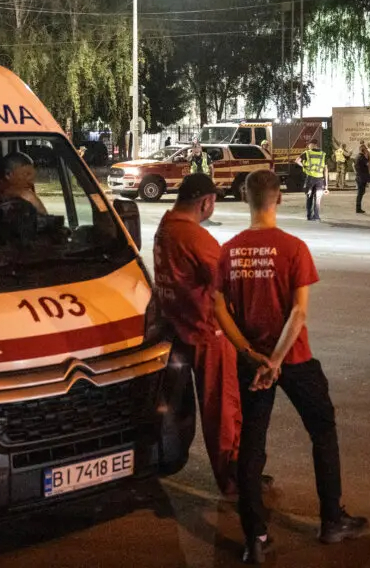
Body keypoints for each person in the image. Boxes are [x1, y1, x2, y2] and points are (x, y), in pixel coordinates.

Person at [214, 170, 367, 563]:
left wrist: (251, 354)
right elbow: (298, 314)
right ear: (278, 199)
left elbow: (217, 306)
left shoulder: (229, 250)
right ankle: (331, 521)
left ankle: (255, 538)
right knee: (322, 432)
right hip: (293, 359)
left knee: (252, 446)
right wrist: (277, 362)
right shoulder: (293, 248)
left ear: (246, 198)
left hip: (253, 364)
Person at [152, 173, 243, 497]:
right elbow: (226, 279)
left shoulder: (166, 227)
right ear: (205, 202)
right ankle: (234, 479)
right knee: (223, 410)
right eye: (213, 201)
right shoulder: (194, 236)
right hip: (208, 332)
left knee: (199, 408)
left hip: (179, 329)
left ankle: (232, 472)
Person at [187, 144, 220, 225]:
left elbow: (211, 167)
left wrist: (212, 178)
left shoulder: (206, 156)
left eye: (198, 147)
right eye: (195, 148)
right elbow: (187, 159)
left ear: (201, 148)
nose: (197, 149)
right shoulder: (191, 156)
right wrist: (192, 152)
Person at [296, 138, 328, 221]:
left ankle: (309, 216)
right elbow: (326, 170)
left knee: (309, 197)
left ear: (313, 145)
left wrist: (303, 166)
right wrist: (326, 185)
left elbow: (297, 161)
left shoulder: (307, 153)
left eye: (309, 144)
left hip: (310, 178)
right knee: (318, 199)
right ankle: (316, 216)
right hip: (320, 179)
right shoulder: (323, 154)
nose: (308, 146)